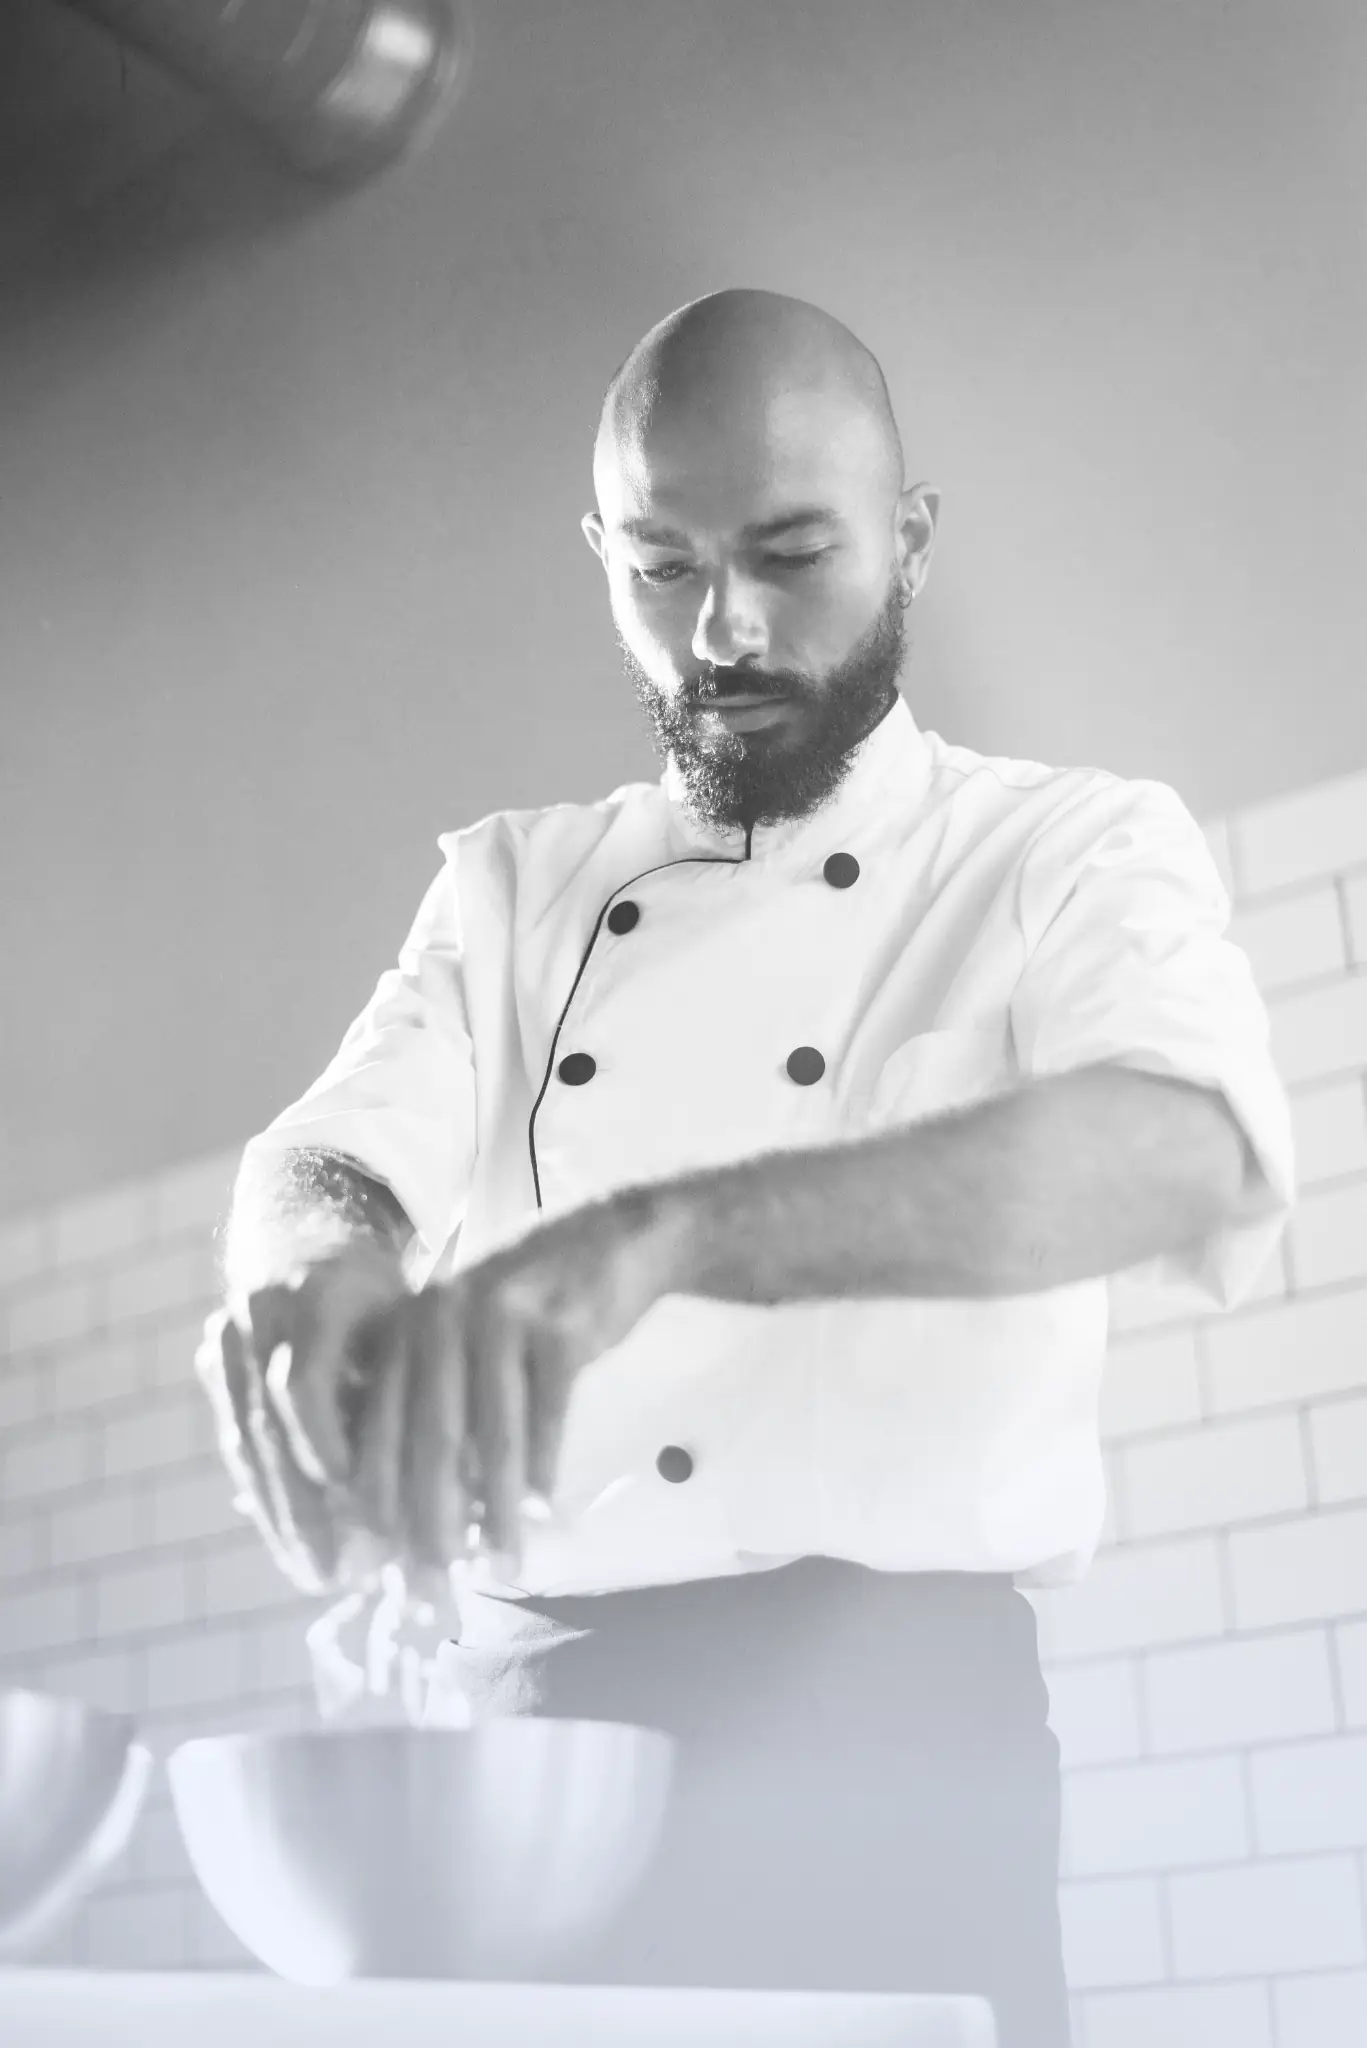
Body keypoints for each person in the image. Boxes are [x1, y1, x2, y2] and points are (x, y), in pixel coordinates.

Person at [197, 288, 1296, 2046]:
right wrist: (303, 1285)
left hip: (887, 1749)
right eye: (658, 567)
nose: (724, 629)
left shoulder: (1058, 847)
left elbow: (1186, 1154)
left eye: (791, 552)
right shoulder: (509, 887)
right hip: (525, 1764)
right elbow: (329, 1155)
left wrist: (665, 1234)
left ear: (908, 539)